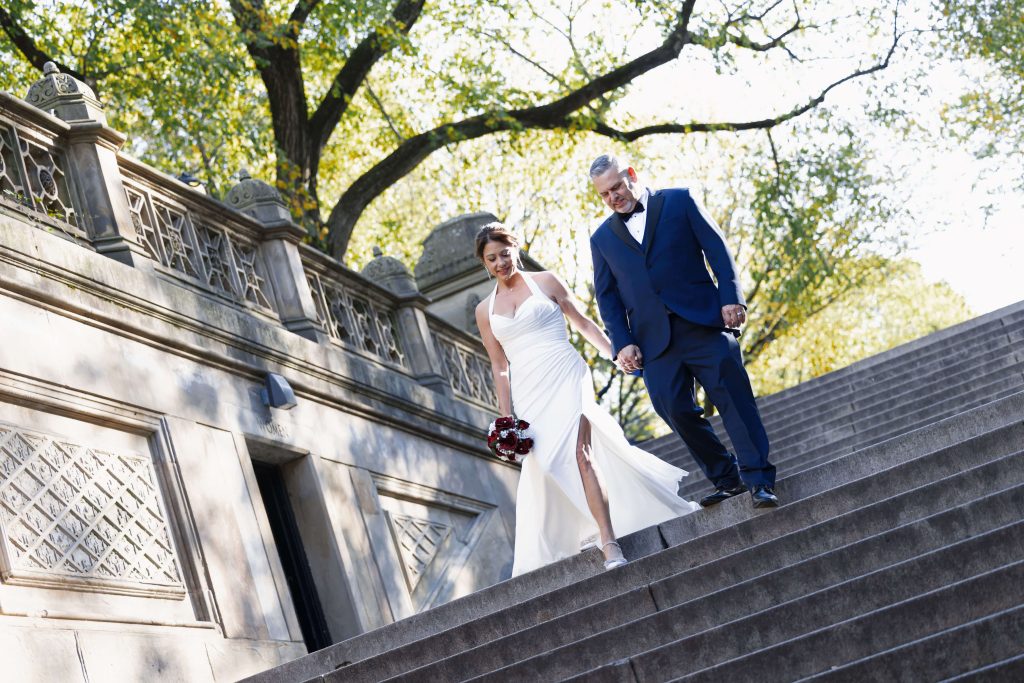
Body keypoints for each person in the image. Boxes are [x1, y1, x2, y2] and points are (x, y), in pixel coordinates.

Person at [474, 223, 700, 577]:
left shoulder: (546, 282)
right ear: (484, 264)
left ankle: (609, 541)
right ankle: (590, 524)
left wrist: (617, 355)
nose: (501, 262)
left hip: (566, 373)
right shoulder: (484, 310)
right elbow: (499, 366)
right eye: (492, 259)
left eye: (505, 253)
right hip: (529, 390)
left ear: (515, 248)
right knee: (548, 464)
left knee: (581, 454)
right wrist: (506, 419)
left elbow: (583, 324)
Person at [588, 155, 779, 508]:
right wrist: (622, 343)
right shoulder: (601, 238)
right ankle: (727, 477)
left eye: (616, 187)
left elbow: (717, 250)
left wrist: (730, 298)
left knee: (734, 401)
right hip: (653, 342)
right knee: (673, 408)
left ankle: (760, 480)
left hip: (703, 321)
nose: (613, 197)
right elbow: (607, 296)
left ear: (631, 175)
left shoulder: (679, 200)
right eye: (605, 194)